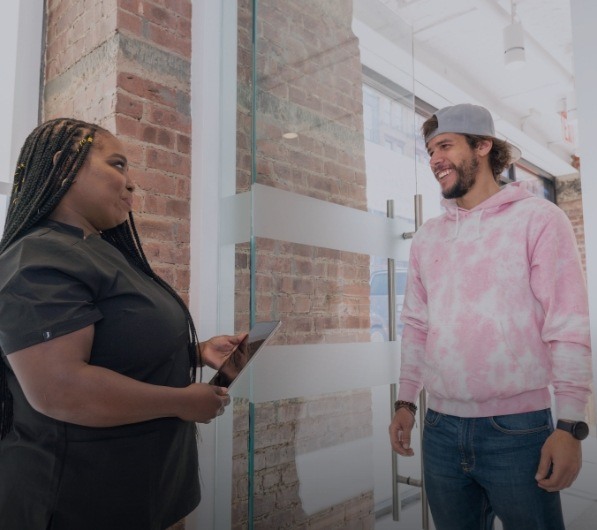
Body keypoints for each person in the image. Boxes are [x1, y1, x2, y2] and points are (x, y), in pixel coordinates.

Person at [0, 118, 246, 530]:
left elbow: (114, 345)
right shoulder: (37, 259)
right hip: (80, 501)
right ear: (64, 166)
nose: (132, 183)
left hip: (147, 491)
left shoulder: (100, 251)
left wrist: (195, 351)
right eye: (117, 165)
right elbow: (60, 389)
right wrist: (182, 401)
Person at [388, 103, 593, 530]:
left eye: (445, 145)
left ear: (483, 146)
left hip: (517, 431)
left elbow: (568, 324)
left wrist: (570, 425)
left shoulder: (539, 219)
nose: (434, 160)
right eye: (429, 151)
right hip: (441, 428)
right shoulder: (427, 238)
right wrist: (406, 401)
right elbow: (416, 326)